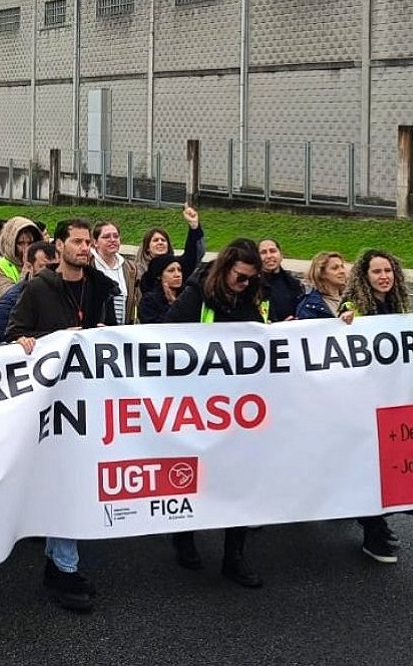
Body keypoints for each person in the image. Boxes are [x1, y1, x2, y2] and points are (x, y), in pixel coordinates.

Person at [7, 218, 119, 612]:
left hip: (89, 397)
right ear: (59, 246)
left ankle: (59, 565)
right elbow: (14, 332)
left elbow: (114, 333)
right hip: (53, 403)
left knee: (76, 481)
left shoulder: (101, 286)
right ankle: (64, 567)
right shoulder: (39, 288)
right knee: (63, 481)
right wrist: (36, 341)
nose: (85, 248)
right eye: (77, 242)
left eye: (88, 242)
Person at [338, 249, 413, 564]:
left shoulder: (398, 307)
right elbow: (341, 328)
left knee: (389, 468)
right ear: (364, 276)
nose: (384, 276)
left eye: (387, 270)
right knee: (370, 469)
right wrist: (344, 321)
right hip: (364, 406)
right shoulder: (355, 307)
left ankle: (376, 524)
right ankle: (373, 530)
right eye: (376, 271)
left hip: (393, 402)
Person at [163, 238, 267, 587]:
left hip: (236, 408)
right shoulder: (196, 295)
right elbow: (164, 336)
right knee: (194, 476)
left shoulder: (248, 297)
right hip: (197, 407)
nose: (246, 284)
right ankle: (184, 537)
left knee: (239, 479)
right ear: (225, 269)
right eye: (241, 277)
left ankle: (234, 556)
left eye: (252, 278)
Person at [0, 240, 56, 344]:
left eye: (54, 267)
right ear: (29, 267)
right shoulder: (13, 299)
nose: (50, 272)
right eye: (42, 267)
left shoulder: (66, 293)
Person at [136, 205, 205, 294]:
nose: (160, 242)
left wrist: (194, 227)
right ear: (147, 248)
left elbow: (193, 254)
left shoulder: (178, 264)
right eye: (155, 240)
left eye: (163, 240)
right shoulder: (137, 270)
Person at [0, 216, 43, 308]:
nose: (26, 248)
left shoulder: (41, 262)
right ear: (11, 243)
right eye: (20, 243)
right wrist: (26, 270)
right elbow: (12, 297)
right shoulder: (0, 267)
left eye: (30, 243)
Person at [91, 221, 138, 325]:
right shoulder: (89, 265)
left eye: (116, 236)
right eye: (106, 237)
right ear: (95, 242)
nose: (112, 240)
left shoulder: (130, 268)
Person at [258, 239, 305, 322]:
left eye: (273, 251)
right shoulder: (252, 286)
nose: (269, 256)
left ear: (281, 255)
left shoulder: (294, 284)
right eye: (263, 252)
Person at [295, 252, 348, 320]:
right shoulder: (309, 306)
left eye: (342, 266)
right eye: (335, 268)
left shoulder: (351, 298)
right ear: (321, 273)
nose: (342, 271)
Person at [136, 254, 183, 324]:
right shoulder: (149, 300)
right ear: (159, 276)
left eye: (179, 270)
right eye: (171, 271)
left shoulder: (186, 296)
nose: (177, 275)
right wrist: (171, 305)